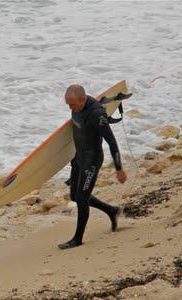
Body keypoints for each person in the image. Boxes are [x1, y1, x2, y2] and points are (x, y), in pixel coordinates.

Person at [58, 84, 127, 250]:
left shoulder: (97, 114)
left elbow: (111, 141)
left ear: (82, 99)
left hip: (92, 160)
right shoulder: (77, 105)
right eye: (68, 105)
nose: (70, 108)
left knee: (82, 199)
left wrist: (119, 168)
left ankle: (77, 239)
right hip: (78, 157)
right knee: (75, 196)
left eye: (72, 104)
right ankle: (112, 211)